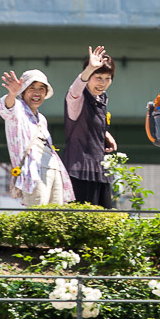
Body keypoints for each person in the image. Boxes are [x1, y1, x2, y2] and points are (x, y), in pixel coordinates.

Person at [0, 69, 74, 207]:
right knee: (38, 214)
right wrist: (12, 93)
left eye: (41, 88)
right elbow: (6, 109)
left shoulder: (42, 118)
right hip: (33, 171)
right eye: (31, 88)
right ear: (23, 91)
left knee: (56, 217)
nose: (37, 93)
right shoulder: (18, 110)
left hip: (54, 168)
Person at [61, 46, 117, 208]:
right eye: (98, 77)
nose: (103, 83)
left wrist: (106, 135)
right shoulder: (77, 99)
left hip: (100, 169)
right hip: (79, 171)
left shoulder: (101, 98)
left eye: (108, 78)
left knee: (108, 219)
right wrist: (88, 70)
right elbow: (74, 91)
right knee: (84, 221)